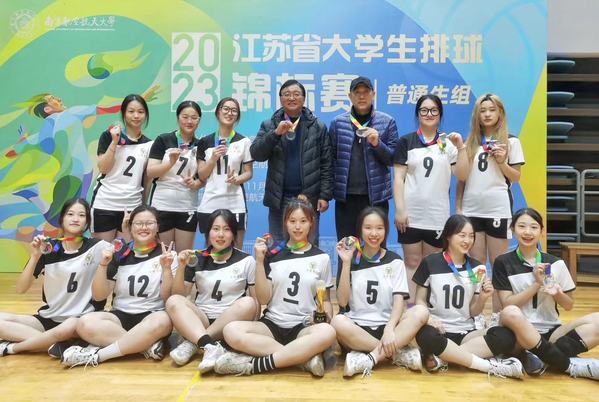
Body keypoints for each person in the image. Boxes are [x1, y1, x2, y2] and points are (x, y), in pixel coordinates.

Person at [213, 195, 336, 376]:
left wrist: (325, 317)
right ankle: (302, 358)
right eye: (292, 221)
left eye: (303, 221)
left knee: (328, 332)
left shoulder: (322, 258)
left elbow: (325, 301)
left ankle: (255, 365)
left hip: (303, 326)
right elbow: (263, 299)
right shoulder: (273, 254)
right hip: (272, 324)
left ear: (311, 222)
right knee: (231, 330)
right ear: (285, 223)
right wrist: (259, 261)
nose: (297, 226)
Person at [60, 205, 177, 367]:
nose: (143, 227)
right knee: (84, 322)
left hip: (151, 316)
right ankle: (144, 346)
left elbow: (167, 297)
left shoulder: (169, 255)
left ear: (158, 227)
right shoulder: (119, 254)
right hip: (119, 317)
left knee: (163, 320)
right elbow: (99, 296)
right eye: (138, 223)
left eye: (149, 223)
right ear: (130, 227)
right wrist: (103, 265)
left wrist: (166, 269)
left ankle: (98, 356)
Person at [413, 214, 524, 378]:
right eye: (462, 235)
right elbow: (420, 300)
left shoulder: (478, 268)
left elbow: (473, 311)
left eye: (471, 236)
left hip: (466, 333)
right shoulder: (430, 262)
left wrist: (483, 297)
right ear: (448, 236)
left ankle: (443, 357)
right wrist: (429, 319)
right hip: (438, 330)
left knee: (506, 336)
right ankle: (486, 365)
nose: (467, 240)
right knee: (424, 335)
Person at [494, 208, 599, 380]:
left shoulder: (555, 263)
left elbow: (568, 305)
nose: (528, 232)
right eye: (522, 226)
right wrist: (537, 284)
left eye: (534, 227)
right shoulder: (503, 262)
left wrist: (557, 293)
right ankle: (565, 363)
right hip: (519, 335)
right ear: (513, 229)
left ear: (542, 231)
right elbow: (507, 303)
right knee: (509, 313)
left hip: (551, 332)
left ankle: (537, 357)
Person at [0, 199, 107, 357]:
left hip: (80, 321)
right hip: (50, 318)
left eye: (81, 215)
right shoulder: (48, 248)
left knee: (69, 327)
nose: (75, 219)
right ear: (62, 219)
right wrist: (35, 256)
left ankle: (29, 344)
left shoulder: (98, 247)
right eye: (70, 214)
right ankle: (57, 344)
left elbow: (129, 251)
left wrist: (126, 231)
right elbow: (21, 288)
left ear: (87, 222)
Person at [331, 207, 429, 377]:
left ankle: (370, 358)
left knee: (421, 311)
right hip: (357, 328)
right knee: (337, 321)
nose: (374, 233)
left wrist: (389, 329)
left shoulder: (395, 261)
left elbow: (399, 301)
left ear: (386, 230)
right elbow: (342, 302)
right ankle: (397, 354)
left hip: (387, 328)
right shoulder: (351, 258)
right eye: (368, 228)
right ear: (360, 230)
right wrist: (346, 262)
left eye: (379, 228)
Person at [456, 93, 525, 328]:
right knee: (476, 264)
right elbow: (462, 179)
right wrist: (459, 208)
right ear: (477, 115)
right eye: (483, 110)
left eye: (491, 110)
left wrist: (502, 161)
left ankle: (497, 314)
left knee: (498, 264)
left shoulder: (511, 142)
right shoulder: (470, 143)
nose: (487, 114)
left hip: (498, 210)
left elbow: (516, 177)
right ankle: (476, 315)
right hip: (472, 210)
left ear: (500, 113)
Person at [393, 94, 469, 301]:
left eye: (434, 110)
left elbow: (462, 175)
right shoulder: (406, 142)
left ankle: (427, 308)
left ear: (440, 115)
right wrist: (400, 209)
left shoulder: (448, 144)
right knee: (411, 261)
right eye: (424, 110)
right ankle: (410, 308)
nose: (429, 114)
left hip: (437, 216)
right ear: (418, 114)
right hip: (410, 215)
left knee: (431, 263)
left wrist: (461, 147)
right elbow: (398, 178)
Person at [166, 209, 258, 372]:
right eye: (216, 229)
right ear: (208, 233)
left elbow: (256, 300)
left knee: (249, 303)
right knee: (173, 301)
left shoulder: (247, 260)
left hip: (230, 321)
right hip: (202, 319)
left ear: (234, 234)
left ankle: (195, 343)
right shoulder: (196, 258)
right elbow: (179, 295)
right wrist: (181, 267)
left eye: (226, 229)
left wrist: (251, 328)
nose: (220, 234)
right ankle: (209, 345)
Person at [329, 76, 398, 283]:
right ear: (350, 96)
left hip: (375, 199)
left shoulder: (387, 122)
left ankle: (379, 292)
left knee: (376, 248)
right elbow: (330, 160)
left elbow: (393, 159)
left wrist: (377, 143)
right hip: (346, 199)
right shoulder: (338, 123)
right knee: (346, 249)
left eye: (365, 92)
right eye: (357, 92)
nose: (361, 96)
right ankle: (345, 296)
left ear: (373, 94)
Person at [250, 79, 333, 244]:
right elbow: (256, 154)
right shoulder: (269, 124)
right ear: (280, 98)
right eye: (287, 94)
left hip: (308, 197)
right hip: (279, 198)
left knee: (308, 246)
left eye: (296, 94)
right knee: (278, 246)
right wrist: (275, 134)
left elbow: (327, 163)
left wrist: (324, 195)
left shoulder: (317, 126)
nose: (292, 98)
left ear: (304, 98)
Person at [90, 94, 154, 242]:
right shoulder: (109, 136)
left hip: (132, 205)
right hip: (105, 203)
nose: (136, 116)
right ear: (124, 113)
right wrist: (114, 142)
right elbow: (103, 168)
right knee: (103, 250)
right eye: (131, 111)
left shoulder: (149, 144)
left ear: (146, 115)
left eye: (140, 112)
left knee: (127, 252)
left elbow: (147, 180)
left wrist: (143, 206)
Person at [147, 100, 204, 253]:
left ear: (199, 120)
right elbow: (150, 172)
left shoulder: (201, 145)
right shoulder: (163, 139)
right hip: (162, 205)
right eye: (185, 117)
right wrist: (170, 163)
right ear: (178, 117)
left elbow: (203, 177)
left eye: (194, 117)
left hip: (187, 206)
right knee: (163, 256)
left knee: (183, 257)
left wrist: (196, 183)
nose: (189, 121)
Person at [197, 97, 253, 247]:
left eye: (234, 110)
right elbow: (202, 175)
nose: (230, 113)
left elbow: (248, 173)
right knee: (210, 251)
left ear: (238, 116)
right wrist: (213, 158)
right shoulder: (205, 142)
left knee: (237, 251)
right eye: (226, 109)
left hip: (235, 202)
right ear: (218, 112)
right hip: (210, 201)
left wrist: (237, 179)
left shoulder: (244, 142)